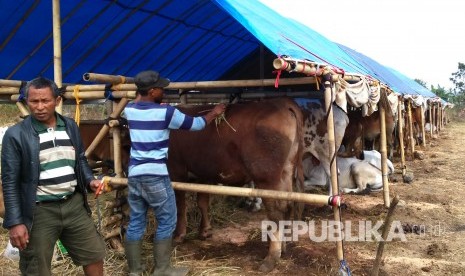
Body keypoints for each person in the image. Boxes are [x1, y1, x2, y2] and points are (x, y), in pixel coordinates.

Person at [123, 70, 226, 276]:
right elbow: (196, 125)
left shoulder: (130, 110)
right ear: (152, 91)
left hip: (134, 175)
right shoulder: (167, 113)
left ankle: (134, 270)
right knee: (168, 220)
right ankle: (162, 269)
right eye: (161, 88)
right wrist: (214, 112)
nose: (164, 90)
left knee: (135, 221)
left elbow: (139, 102)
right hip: (156, 175)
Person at [1, 77, 106, 276]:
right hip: (39, 210)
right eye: (34, 101)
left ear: (57, 100)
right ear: (27, 102)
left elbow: (80, 160)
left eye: (45, 101)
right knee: (37, 267)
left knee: (93, 255)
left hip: (73, 205)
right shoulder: (16, 135)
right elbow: (10, 181)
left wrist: (90, 180)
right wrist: (15, 222)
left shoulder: (70, 126)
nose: (39, 107)